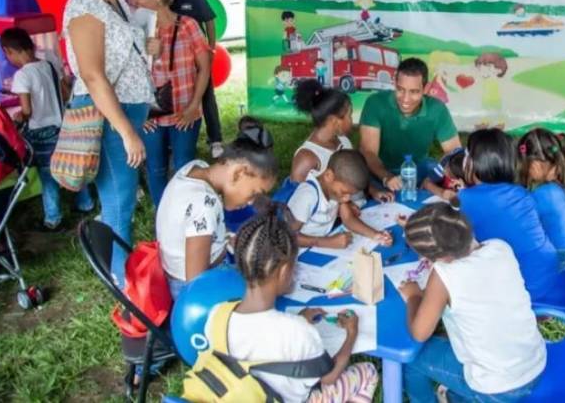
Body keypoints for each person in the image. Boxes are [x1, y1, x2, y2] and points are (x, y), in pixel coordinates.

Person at [204, 204, 379, 402]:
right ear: (284, 270)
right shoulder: (298, 331)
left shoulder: (217, 315)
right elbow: (329, 377)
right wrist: (351, 334)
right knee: (367, 371)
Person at [64, 0, 153, 286]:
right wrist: (127, 131)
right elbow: (91, 74)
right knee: (120, 200)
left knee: (122, 197)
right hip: (110, 116)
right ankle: (122, 280)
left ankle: (119, 268)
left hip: (126, 112)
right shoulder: (85, 4)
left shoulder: (114, 1)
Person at [400, 203, 546, 402]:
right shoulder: (500, 247)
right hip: (534, 362)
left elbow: (419, 333)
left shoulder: (444, 275)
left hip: (500, 387)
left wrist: (413, 296)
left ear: (442, 257)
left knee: (412, 358)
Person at [156, 126, 277, 298]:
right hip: (189, 289)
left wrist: (225, 239)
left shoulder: (196, 167)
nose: (251, 202)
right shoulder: (204, 205)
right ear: (238, 173)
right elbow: (196, 286)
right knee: (266, 288)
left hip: (186, 270)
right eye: (254, 193)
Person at [130, 0, 212, 207]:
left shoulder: (188, 25)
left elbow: (204, 69)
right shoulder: (137, 30)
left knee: (184, 165)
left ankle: (185, 211)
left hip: (185, 112)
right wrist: (141, 111)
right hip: (152, 117)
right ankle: (162, 215)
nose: (134, 2)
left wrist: (194, 106)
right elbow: (130, 76)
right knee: (155, 168)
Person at [0, 28, 94, 229]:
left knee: (47, 175)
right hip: (61, 126)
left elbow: (26, 110)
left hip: (40, 132)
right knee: (72, 165)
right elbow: (65, 92)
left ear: (9, 51)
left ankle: (53, 218)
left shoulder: (22, 76)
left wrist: (19, 117)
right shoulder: (48, 65)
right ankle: (85, 203)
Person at [457, 129, 560, 305]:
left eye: (467, 154)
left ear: (476, 163)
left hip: (524, 288)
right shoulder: (521, 193)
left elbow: (460, 243)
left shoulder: (468, 199)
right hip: (546, 273)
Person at [153, 0, 224, 158]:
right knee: (167, 97)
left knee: (206, 95)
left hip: (197, 55)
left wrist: (211, 47)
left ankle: (215, 138)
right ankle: (171, 140)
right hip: (171, 65)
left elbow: (209, 20)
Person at [359, 57, 461, 192]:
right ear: (395, 83)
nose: (405, 99)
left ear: (426, 88)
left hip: (418, 169)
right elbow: (368, 152)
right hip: (381, 171)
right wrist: (386, 177)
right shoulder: (375, 103)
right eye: (400, 89)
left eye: (414, 92)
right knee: (367, 184)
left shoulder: (437, 109)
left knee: (432, 168)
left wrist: (448, 180)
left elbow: (454, 152)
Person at [288, 79, 391, 203]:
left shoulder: (343, 141)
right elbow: (296, 205)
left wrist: (374, 191)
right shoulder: (306, 158)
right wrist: (343, 211)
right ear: (334, 121)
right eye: (349, 115)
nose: (352, 121)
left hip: (361, 208)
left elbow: (354, 176)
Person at [287, 149, 393, 248]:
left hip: (321, 246)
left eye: (350, 195)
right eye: (344, 192)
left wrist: (375, 235)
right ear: (328, 176)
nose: (347, 198)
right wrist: (327, 242)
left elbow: (348, 219)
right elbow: (288, 235)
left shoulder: (335, 192)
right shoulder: (307, 196)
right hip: (300, 252)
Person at [518, 128, 565, 271]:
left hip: (558, 258)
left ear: (535, 165)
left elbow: (520, 222)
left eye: (525, 166)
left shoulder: (543, 195)